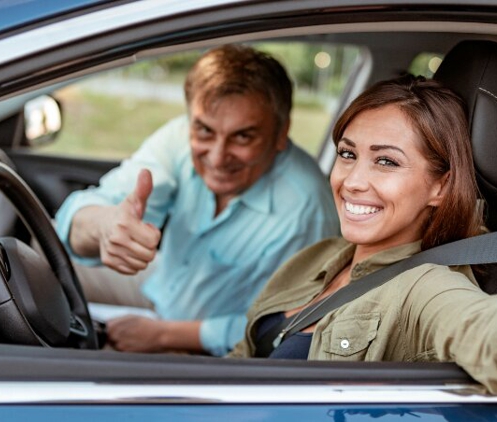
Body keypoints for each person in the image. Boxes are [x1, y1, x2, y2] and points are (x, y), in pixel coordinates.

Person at [228, 74, 497, 397]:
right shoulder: (317, 257)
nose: (352, 181)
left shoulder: (425, 289)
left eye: (386, 162)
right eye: (348, 154)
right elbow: (240, 361)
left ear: (441, 186)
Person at [55, 44, 339, 356]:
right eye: (204, 131)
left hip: (209, 349)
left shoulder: (307, 208)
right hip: (162, 287)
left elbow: (284, 327)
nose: (217, 157)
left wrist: (164, 336)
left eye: (243, 136)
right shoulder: (179, 136)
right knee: (38, 262)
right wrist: (105, 228)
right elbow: (84, 213)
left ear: (281, 132)